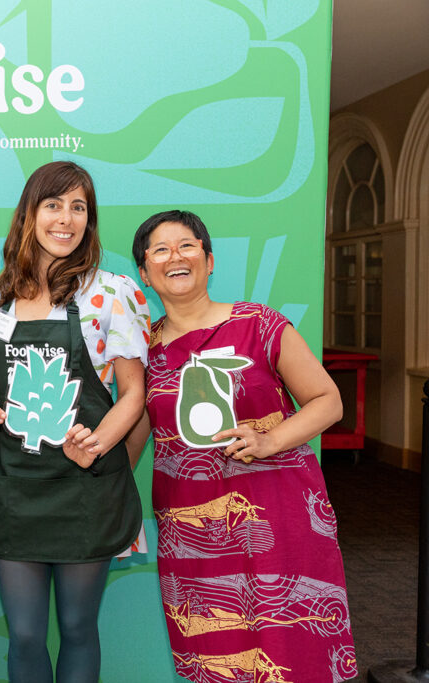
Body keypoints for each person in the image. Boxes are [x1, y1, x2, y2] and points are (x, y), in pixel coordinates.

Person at [131, 209, 357, 683]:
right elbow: (136, 432)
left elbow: (329, 401)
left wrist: (269, 439)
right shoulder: (142, 351)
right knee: (216, 657)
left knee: (292, 653)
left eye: (187, 245)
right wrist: (104, 493)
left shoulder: (259, 325)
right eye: (160, 249)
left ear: (209, 260)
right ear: (144, 273)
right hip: (193, 533)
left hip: (278, 519)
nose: (176, 256)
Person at [0, 161, 149, 683]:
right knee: (24, 634)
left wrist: (96, 444)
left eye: (78, 207)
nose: (65, 219)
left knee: (77, 627)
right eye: (53, 205)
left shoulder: (112, 292)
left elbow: (133, 394)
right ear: (29, 214)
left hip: (87, 487)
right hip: (17, 489)